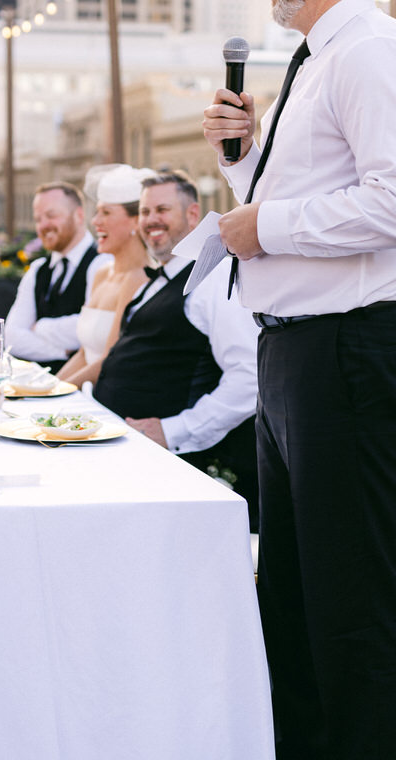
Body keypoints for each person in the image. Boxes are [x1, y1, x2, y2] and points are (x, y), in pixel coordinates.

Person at [202, 0, 396, 760]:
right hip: (294, 355)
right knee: (296, 594)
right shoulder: (313, 64)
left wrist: (262, 223)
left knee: (348, 601)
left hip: (343, 350)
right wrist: (244, 164)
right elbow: (301, 204)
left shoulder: (374, 55)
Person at [92, 171, 261, 529]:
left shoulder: (213, 277)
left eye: (162, 209)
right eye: (144, 211)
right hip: (127, 459)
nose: (151, 219)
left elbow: (249, 377)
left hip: (170, 468)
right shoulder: (163, 278)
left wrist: (175, 430)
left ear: (192, 214)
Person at [55, 165, 153, 388]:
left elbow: (107, 361)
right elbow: (83, 354)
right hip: (81, 393)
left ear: (135, 221)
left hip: (105, 399)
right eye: (97, 212)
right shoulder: (102, 274)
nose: (95, 221)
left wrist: (56, 395)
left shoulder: (138, 278)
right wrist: (46, 390)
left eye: (106, 213)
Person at [3, 182, 112, 373]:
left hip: (80, 389)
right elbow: (11, 337)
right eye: (38, 219)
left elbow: (94, 330)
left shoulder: (102, 264)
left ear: (79, 215)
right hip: (30, 386)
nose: (43, 225)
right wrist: (64, 351)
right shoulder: (38, 270)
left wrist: (40, 327)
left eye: (51, 216)